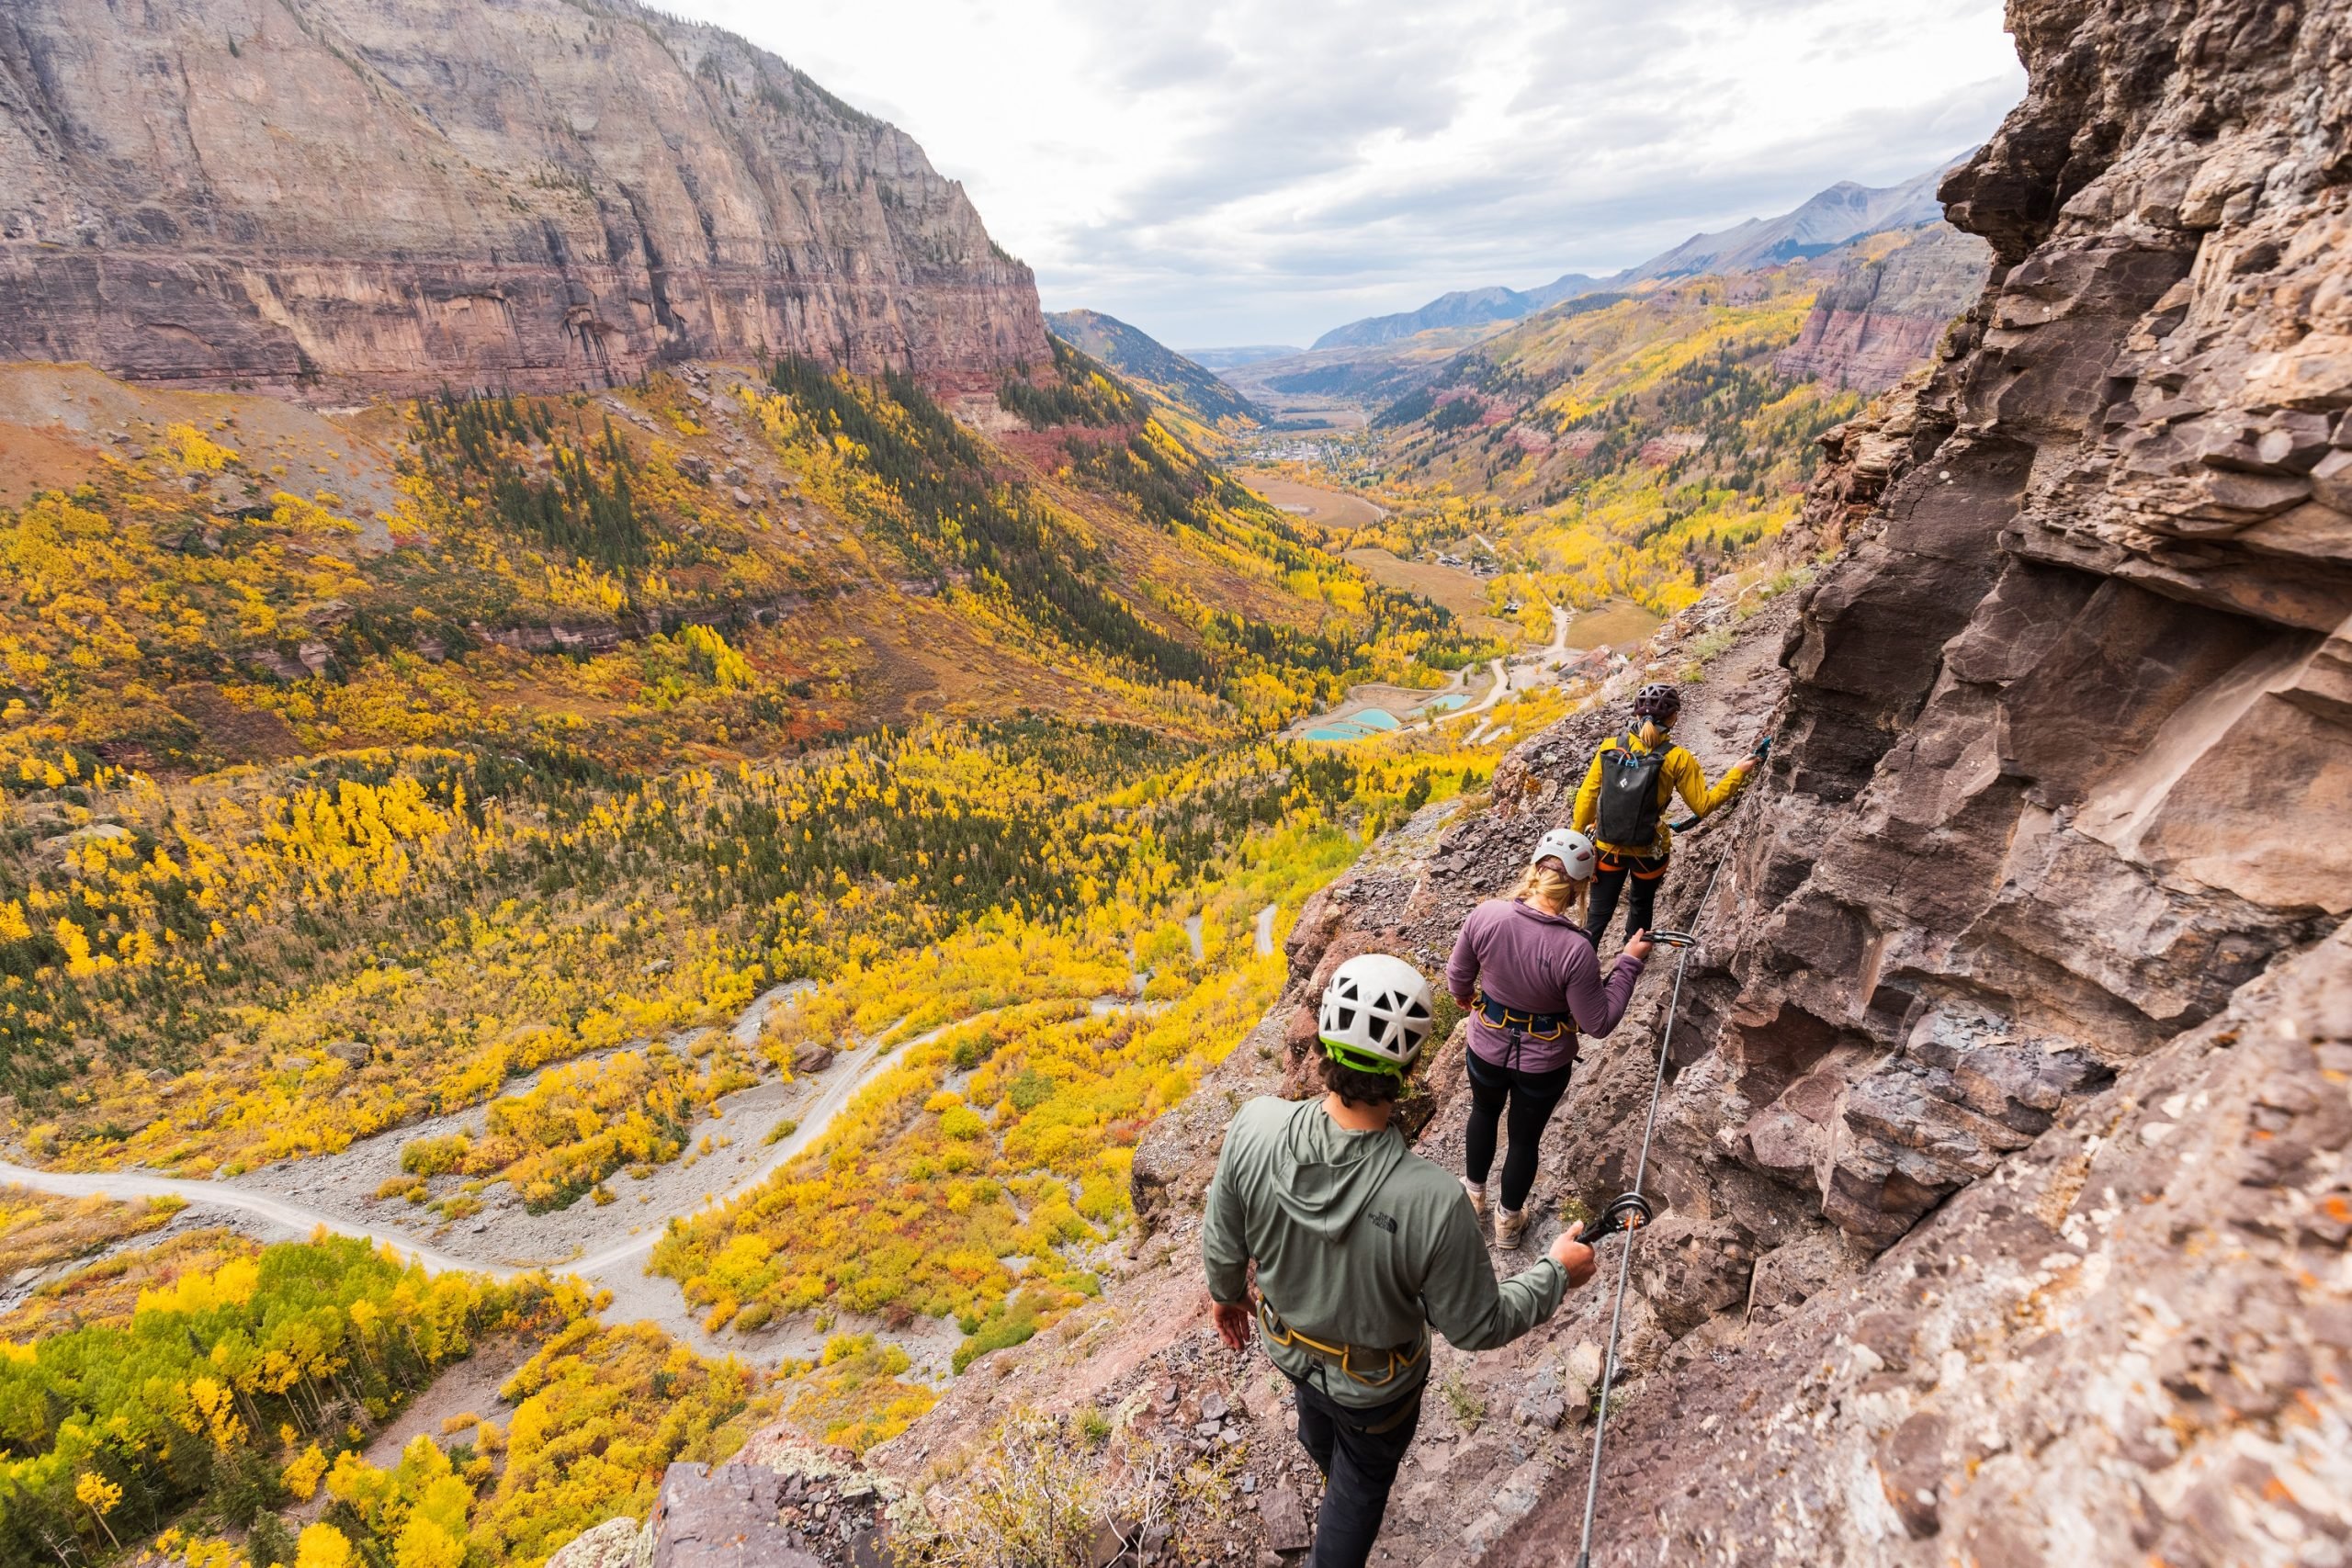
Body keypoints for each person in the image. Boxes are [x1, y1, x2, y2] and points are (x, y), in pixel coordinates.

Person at [1203, 953, 1598, 1568]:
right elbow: (1476, 1325)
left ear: (1323, 1044)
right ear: (1409, 1069)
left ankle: (1333, 1472)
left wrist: (1226, 1295)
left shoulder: (1255, 1126)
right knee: (1359, 1485)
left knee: (1318, 1429)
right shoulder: (1432, 1201)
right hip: (1376, 1390)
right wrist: (1555, 1273)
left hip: (1288, 1348)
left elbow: (1224, 1237)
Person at [1444, 828, 1649, 1247]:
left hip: (1486, 1046)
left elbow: (1458, 978)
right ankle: (1507, 1223)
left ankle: (1472, 1198)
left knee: (1483, 1112)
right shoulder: (1575, 949)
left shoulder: (1487, 915)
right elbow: (1598, 1023)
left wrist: (1467, 998)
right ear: (1578, 888)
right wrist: (1628, 964)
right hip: (1543, 1063)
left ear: (1536, 870)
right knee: (1524, 1138)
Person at [1573, 682, 1756, 945]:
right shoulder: (1678, 758)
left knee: (1597, 916)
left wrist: (1578, 835)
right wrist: (1737, 773)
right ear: (1673, 718)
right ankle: (1632, 959)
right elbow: (1703, 806)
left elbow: (1587, 797)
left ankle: (1580, 964)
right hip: (1650, 850)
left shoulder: (1609, 747)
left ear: (1636, 714)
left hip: (1607, 847)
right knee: (1641, 904)